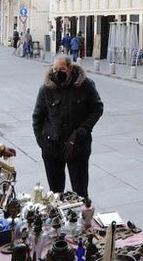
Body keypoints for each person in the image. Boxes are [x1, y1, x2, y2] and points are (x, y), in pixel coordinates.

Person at [32, 55, 103, 199]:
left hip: (77, 146)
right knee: (55, 195)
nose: (58, 72)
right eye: (55, 69)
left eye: (62, 69)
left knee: (80, 193)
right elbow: (37, 117)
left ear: (70, 68)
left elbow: (97, 108)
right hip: (52, 148)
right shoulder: (46, 89)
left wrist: (83, 130)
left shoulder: (85, 85)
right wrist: (42, 142)